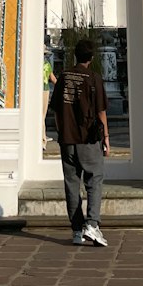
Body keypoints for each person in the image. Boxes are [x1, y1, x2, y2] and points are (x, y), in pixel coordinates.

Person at [50, 38, 109, 247]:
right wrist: (106, 139)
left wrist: (62, 130)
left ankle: (77, 230)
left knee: (72, 184)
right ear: (91, 58)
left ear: (75, 56)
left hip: (67, 138)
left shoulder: (64, 77)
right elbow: (101, 111)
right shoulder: (93, 78)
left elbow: (56, 110)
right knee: (94, 179)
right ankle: (92, 224)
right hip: (88, 138)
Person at [42, 46, 57, 148]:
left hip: (36, 90)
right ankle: (42, 140)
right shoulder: (46, 64)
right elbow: (53, 79)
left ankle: (42, 138)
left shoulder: (33, 64)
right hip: (45, 90)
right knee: (42, 116)